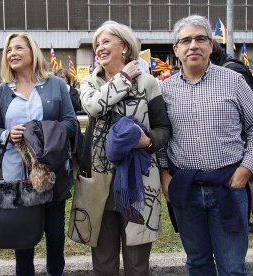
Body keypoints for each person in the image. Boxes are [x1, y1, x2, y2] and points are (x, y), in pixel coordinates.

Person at [158, 15, 253, 275]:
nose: (193, 45)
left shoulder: (233, 82)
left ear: (211, 45)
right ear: (176, 49)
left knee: (232, 267)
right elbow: (162, 136)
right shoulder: (165, 90)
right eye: (185, 40)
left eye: (200, 39)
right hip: (185, 189)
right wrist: (165, 175)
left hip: (228, 187)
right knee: (197, 263)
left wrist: (246, 170)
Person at [79, 21, 171, 275]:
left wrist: (148, 140)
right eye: (97, 44)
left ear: (125, 47)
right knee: (104, 262)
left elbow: (164, 128)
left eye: (106, 42)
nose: (100, 48)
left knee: (137, 264)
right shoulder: (89, 83)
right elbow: (96, 107)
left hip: (138, 184)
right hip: (98, 183)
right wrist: (123, 78)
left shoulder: (149, 84)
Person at [0, 32, 77, 276]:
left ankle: (55, 271)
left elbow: (71, 123)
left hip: (51, 173)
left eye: (18, 48)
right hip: (16, 175)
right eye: (8, 50)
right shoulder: (1, 92)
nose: (12, 53)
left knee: (55, 234)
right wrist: (7, 134)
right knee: (22, 236)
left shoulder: (56, 85)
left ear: (32, 52)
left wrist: (41, 133)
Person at [210, 40, 253, 234]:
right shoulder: (230, 66)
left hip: (246, 134)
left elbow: (246, 109)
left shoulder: (232, 72)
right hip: (242, 133)